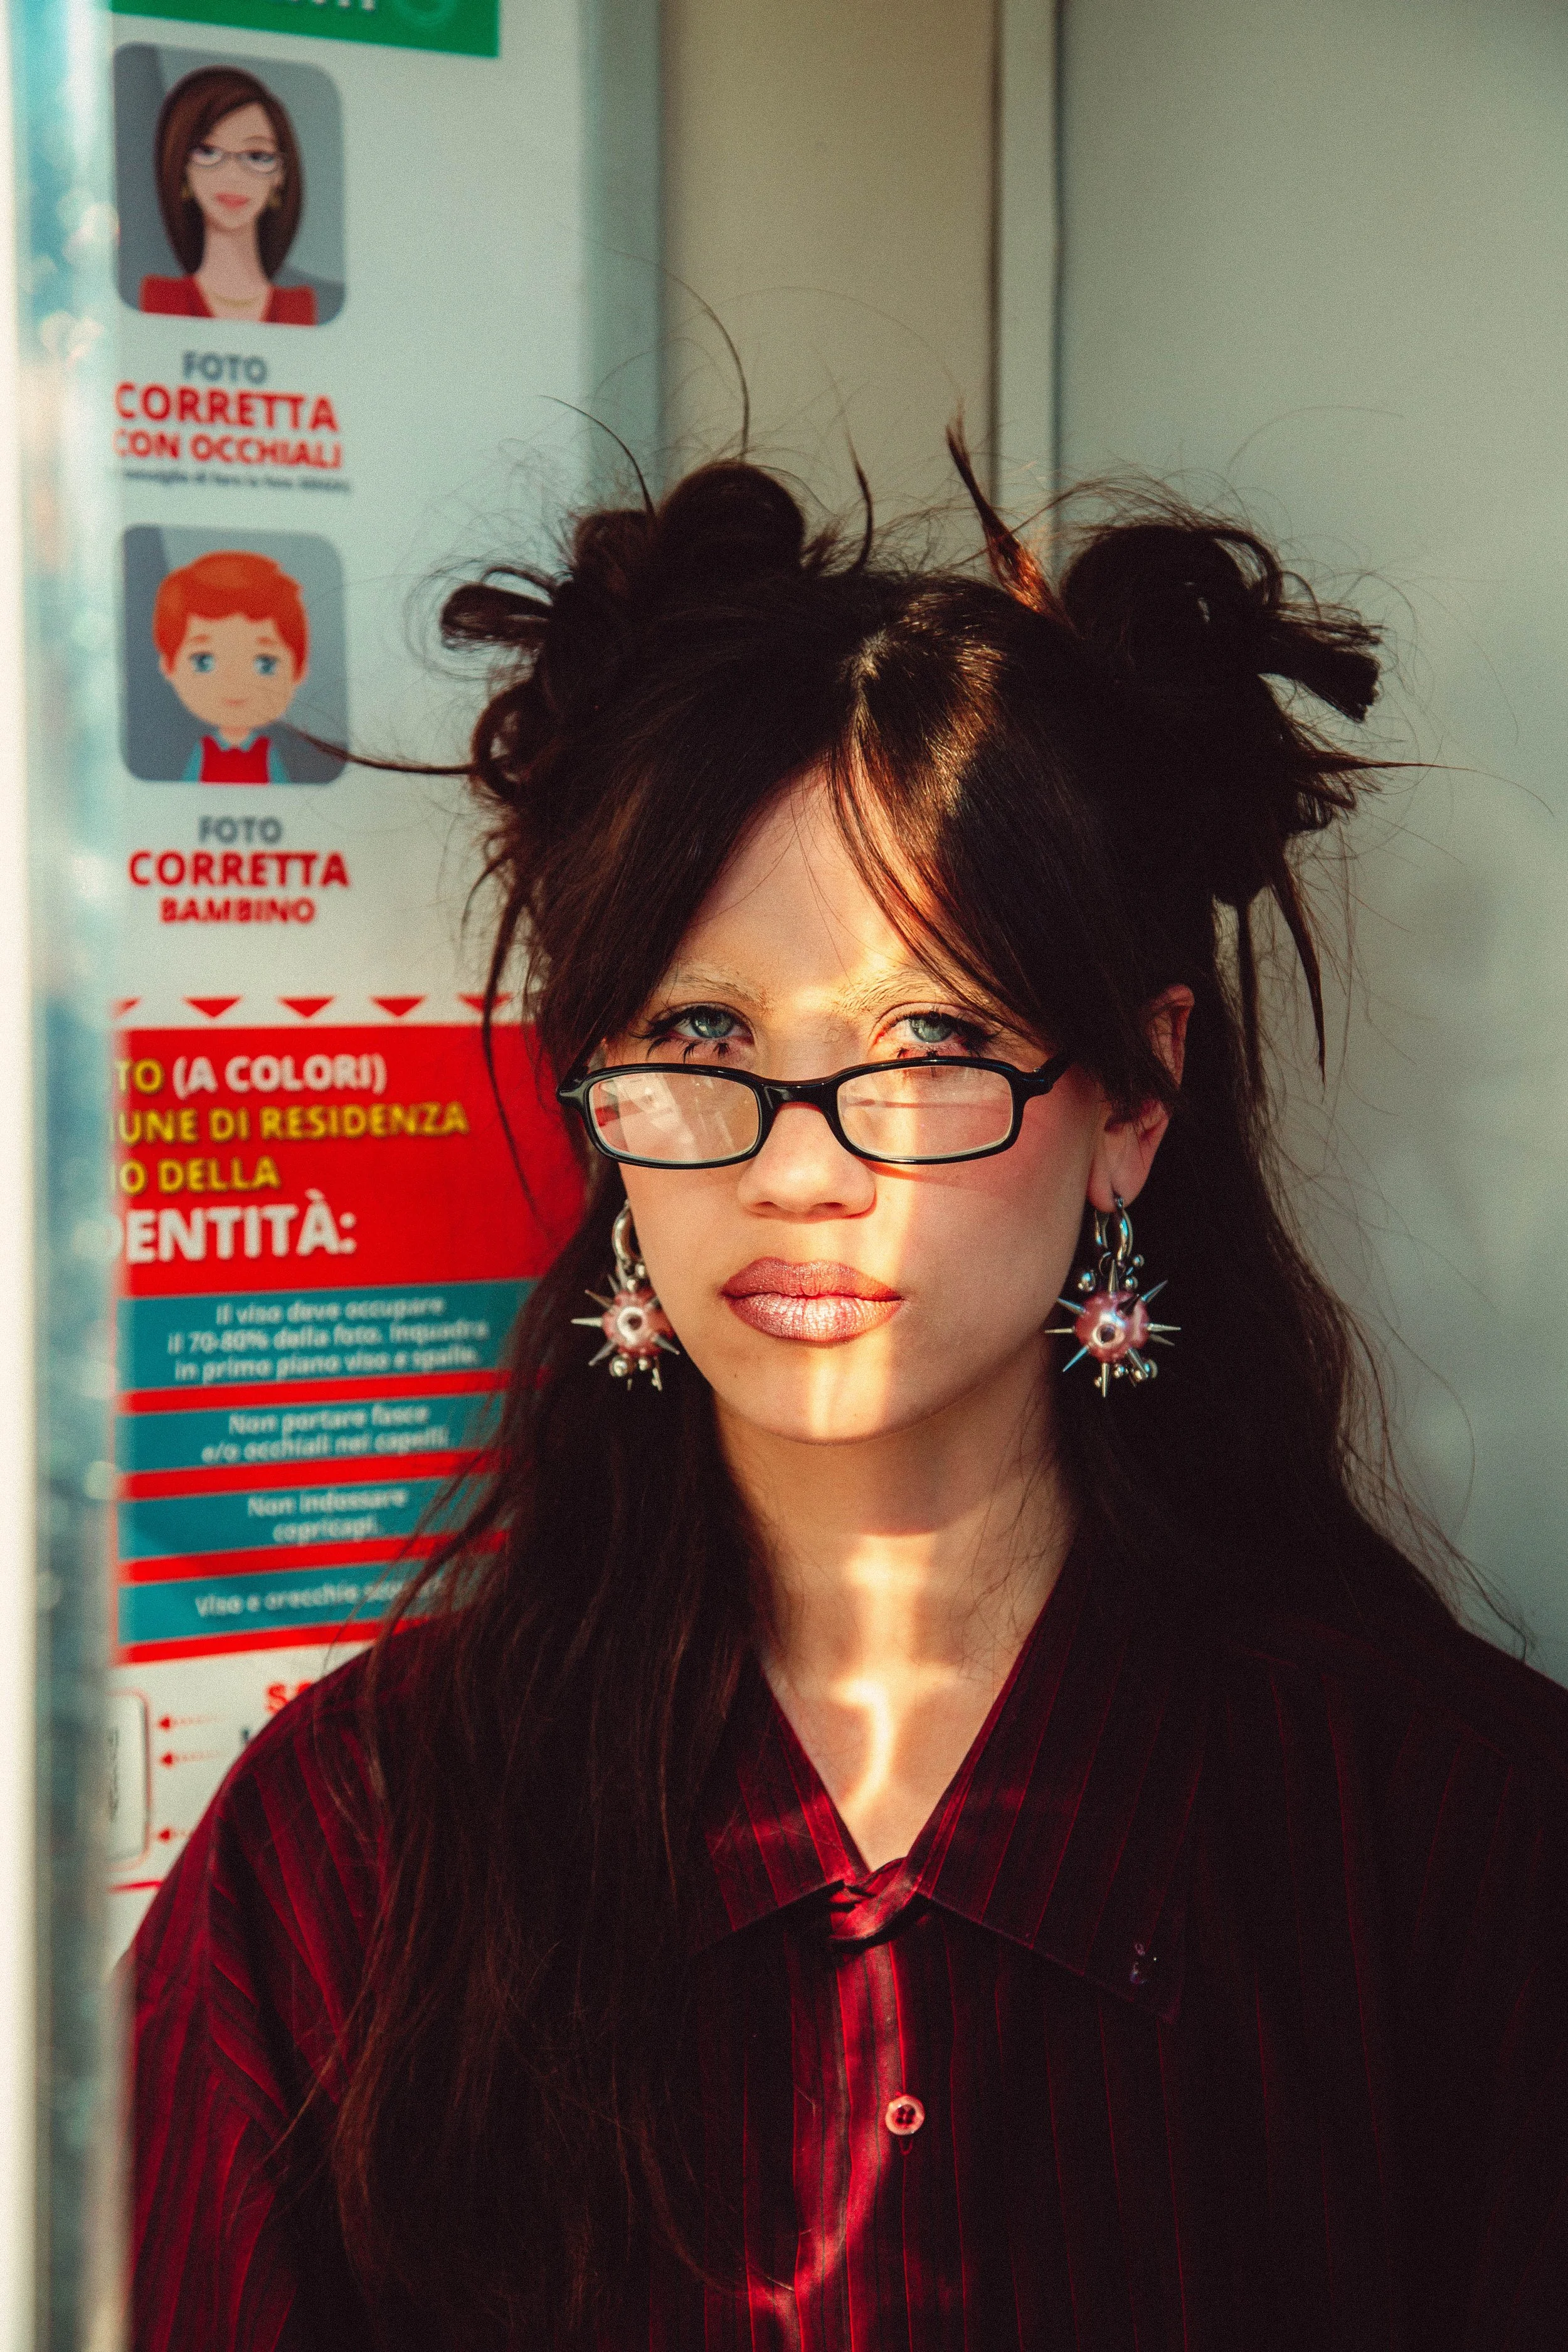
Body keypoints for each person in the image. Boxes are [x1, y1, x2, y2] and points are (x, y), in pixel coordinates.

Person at [130, 446, 1568, 2348]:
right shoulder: (339, 1860)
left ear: (1132, 1100)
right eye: (698, 1036)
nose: (798, 1166)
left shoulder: (1449, 1842)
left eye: (929, 1041)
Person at [140, 65, 316, 327]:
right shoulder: (160, 298)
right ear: (183, 168)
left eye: (256, 156)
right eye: (208, 152)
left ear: (280, 174)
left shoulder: (300, 308)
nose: (232, 175)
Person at [152, 548, 309, 783]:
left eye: (264, 663)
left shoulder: (267, 754)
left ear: (298, 670)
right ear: (169, 667)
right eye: (204, 661)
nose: (235, 683)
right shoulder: (204, 752)